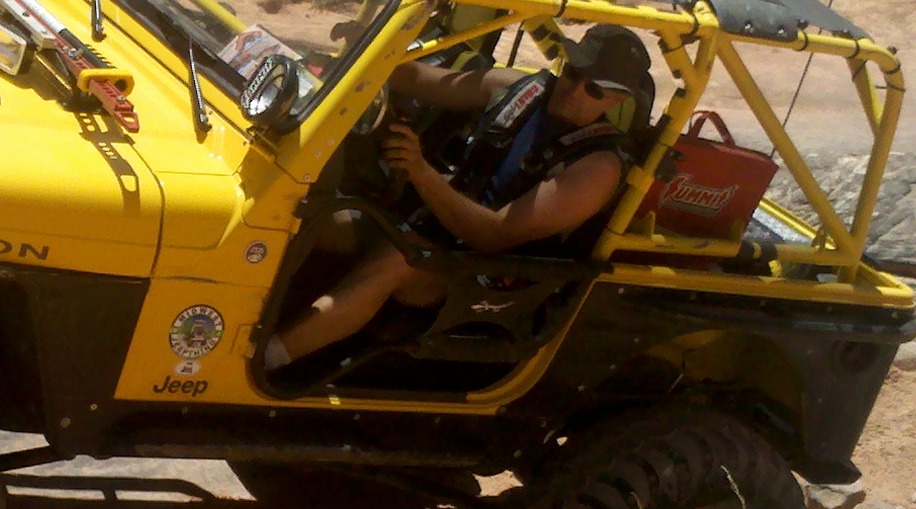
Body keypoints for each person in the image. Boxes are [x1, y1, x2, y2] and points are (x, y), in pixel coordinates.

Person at [262, 24, 658, 371]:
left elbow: (493, 236)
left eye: (593, 89)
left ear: (618, 99)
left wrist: (420, 171)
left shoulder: (596, 167)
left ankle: (263, 363)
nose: (573, 90)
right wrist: (361, 56)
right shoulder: (516, 88)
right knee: (310, 216)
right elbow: (421, 79)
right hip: (430, 227)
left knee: (396, 260)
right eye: (572, 72)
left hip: (484, 274)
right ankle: (248, 311)